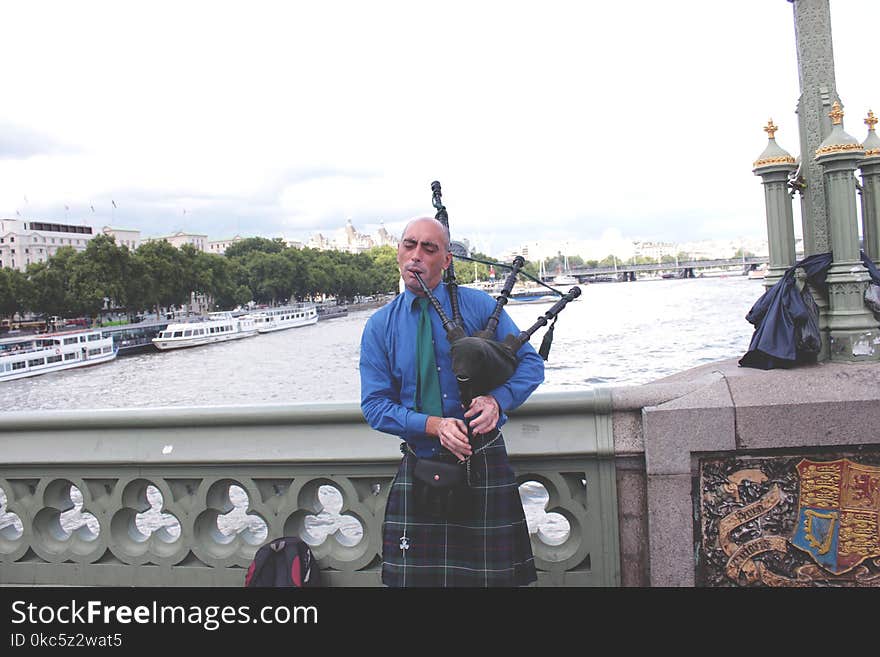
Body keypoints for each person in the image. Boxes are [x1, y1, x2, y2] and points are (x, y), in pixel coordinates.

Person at [359, 216, 545, 587]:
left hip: (484, 462)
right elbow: (375, 405)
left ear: (446, 260)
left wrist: (497, 400)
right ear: (398, 252)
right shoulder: (380, 326)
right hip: (422, 464)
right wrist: (433, 425)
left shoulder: (477, 307)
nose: (416, 256)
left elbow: (531, 365)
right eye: (409, 245)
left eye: (429, 248)